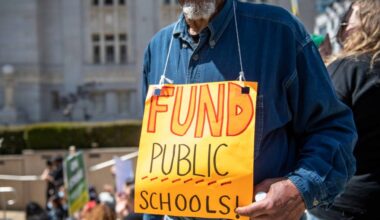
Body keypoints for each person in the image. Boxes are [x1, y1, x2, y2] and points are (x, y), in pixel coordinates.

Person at [142, 0, 357, 219]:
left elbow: (333, 129)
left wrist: (299, 189)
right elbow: (153, 161)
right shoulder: (157, 49)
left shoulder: (279, 32)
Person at [309, 0, 380, 219]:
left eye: (353, 15)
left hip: (341, 202)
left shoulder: (349, 68)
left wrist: (319, 69)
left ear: (368, 22)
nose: (345, 24)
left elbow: (316, 129)